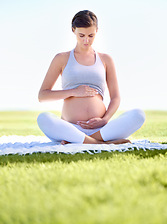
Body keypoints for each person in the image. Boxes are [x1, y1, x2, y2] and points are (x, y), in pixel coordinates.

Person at [37, 10, 145, 145]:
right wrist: (74, 92)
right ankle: (101, 143)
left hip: (101, 128)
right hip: (70, 128)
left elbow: (115, 97)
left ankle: (83, 141)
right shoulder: (61, 58)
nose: (86, 40)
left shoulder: (106, 59)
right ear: (73, 30)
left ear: (97, 31)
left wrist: (105, 119)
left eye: (91, 35)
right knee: (43, 118)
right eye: (81, 35)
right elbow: (42, 96)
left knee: (138, 115)